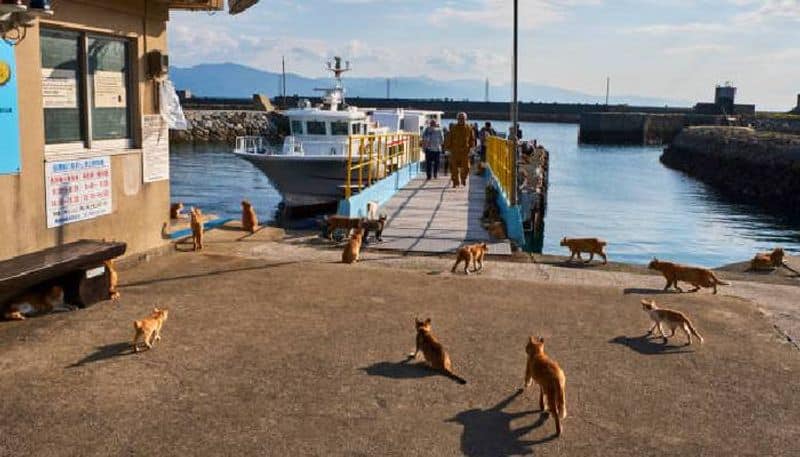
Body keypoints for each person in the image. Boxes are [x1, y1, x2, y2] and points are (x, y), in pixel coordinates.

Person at [443, 112, 476, 188]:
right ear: (457, 119)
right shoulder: (453, 128)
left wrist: (472, 148)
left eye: (463, 118)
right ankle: (455, 182)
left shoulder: (469, 128)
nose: (461, 120)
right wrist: (447, 149)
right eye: (460, 118)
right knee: (453, 167)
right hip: (454, 151)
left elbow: (472, 139)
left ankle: (463, 178)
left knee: (467, 167)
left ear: (466, 119)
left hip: (465, 151)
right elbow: (449, 139)